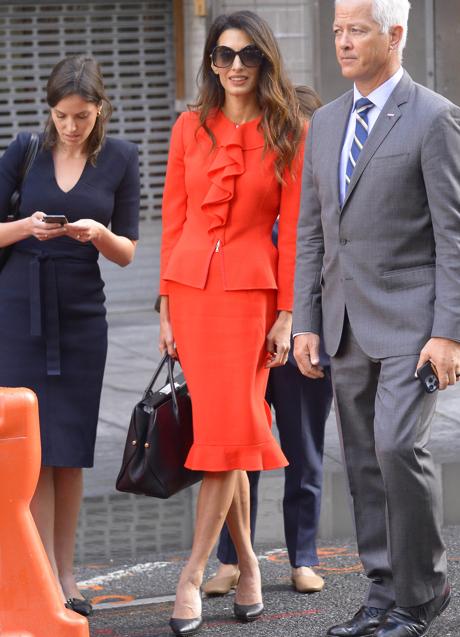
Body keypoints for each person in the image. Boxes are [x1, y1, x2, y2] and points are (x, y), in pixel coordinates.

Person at [293, 0, 460, 636]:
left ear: (394, 34)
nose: (342, 41)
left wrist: (448, 333)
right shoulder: (327, 123)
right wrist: (306, 320)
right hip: (343, 324)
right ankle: (383, 590)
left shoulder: (435, 118)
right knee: (362, 459)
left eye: (356, 29)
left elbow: (453, 235)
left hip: (414, 326)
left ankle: (423, 592)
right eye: (336, 30)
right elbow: (312, 233)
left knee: (397, 448)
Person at [159, 10, 305, 636]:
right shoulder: (188, 128)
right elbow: (172, 218)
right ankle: (247, 563)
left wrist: (288, 315)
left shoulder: (288, 130)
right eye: (224, 55)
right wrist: (164, 304)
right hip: (192, 296)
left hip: (252, 300)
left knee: (224, 435)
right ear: (211, 63)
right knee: (229, 437)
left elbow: (298, 232)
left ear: (265, 62)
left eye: (249, 55)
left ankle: (192, 573)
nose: (236, 66)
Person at [0, 55, 140, 616]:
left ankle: (64, 575)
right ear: (50, 111)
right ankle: (31, 575)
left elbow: (129, 251)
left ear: (99, 110)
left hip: (82, 315)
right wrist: (26, 227)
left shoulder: (121, 158)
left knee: (69, 451)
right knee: (28, 451)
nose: (71, 126)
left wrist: (100, 233)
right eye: (61, 115)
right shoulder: (24, 150)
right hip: (18, 313)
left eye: (81, 116)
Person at [203, 85, 332, 598]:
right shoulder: (253, 189)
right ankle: (234, 560)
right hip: (246, 335)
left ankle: (303, 558)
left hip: (303, 337)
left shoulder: (324, 194)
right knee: (242, 451)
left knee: (304, 450)